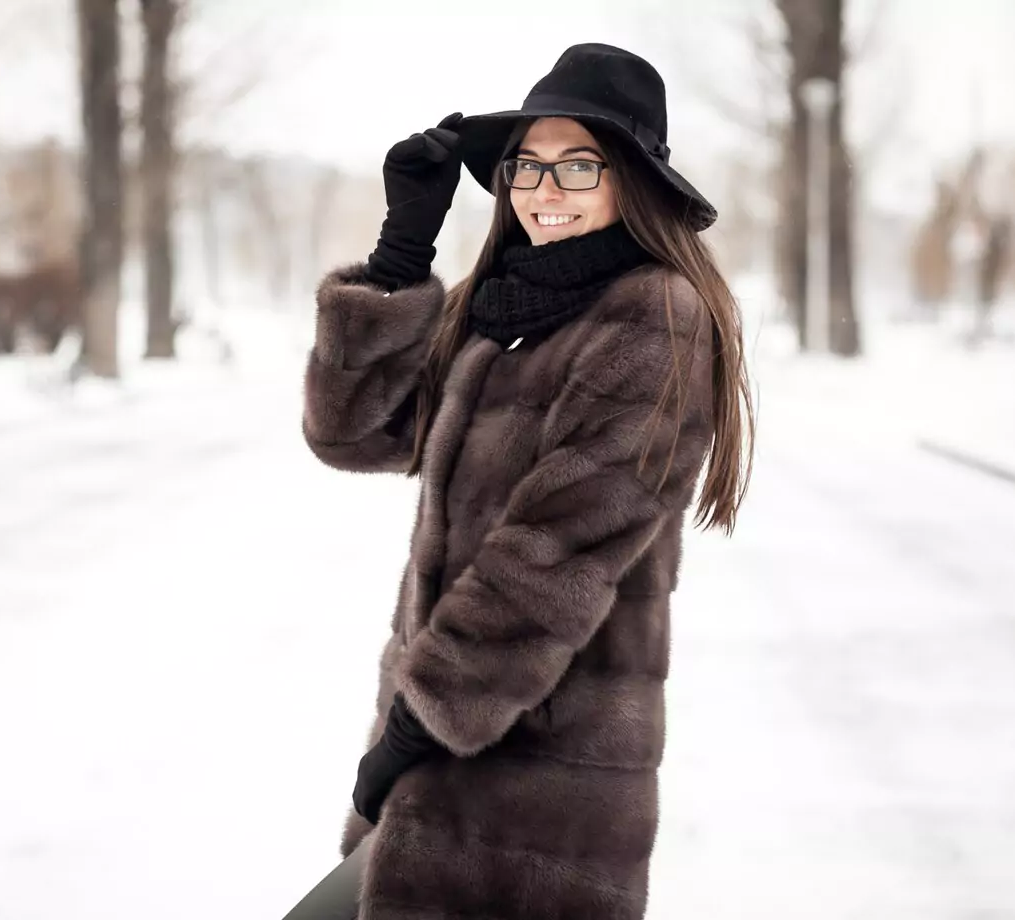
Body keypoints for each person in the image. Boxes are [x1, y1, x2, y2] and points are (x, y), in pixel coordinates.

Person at [300, 42, 755, 920]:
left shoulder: (656, 319)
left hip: (547, 789)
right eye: (527, 167)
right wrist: (401, 255)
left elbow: (552, 554)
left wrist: (413, 725)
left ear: (631, 179)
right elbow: (351, 434)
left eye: (578, 166)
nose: (545, 191)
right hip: (442, 755)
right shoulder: (500, 312)